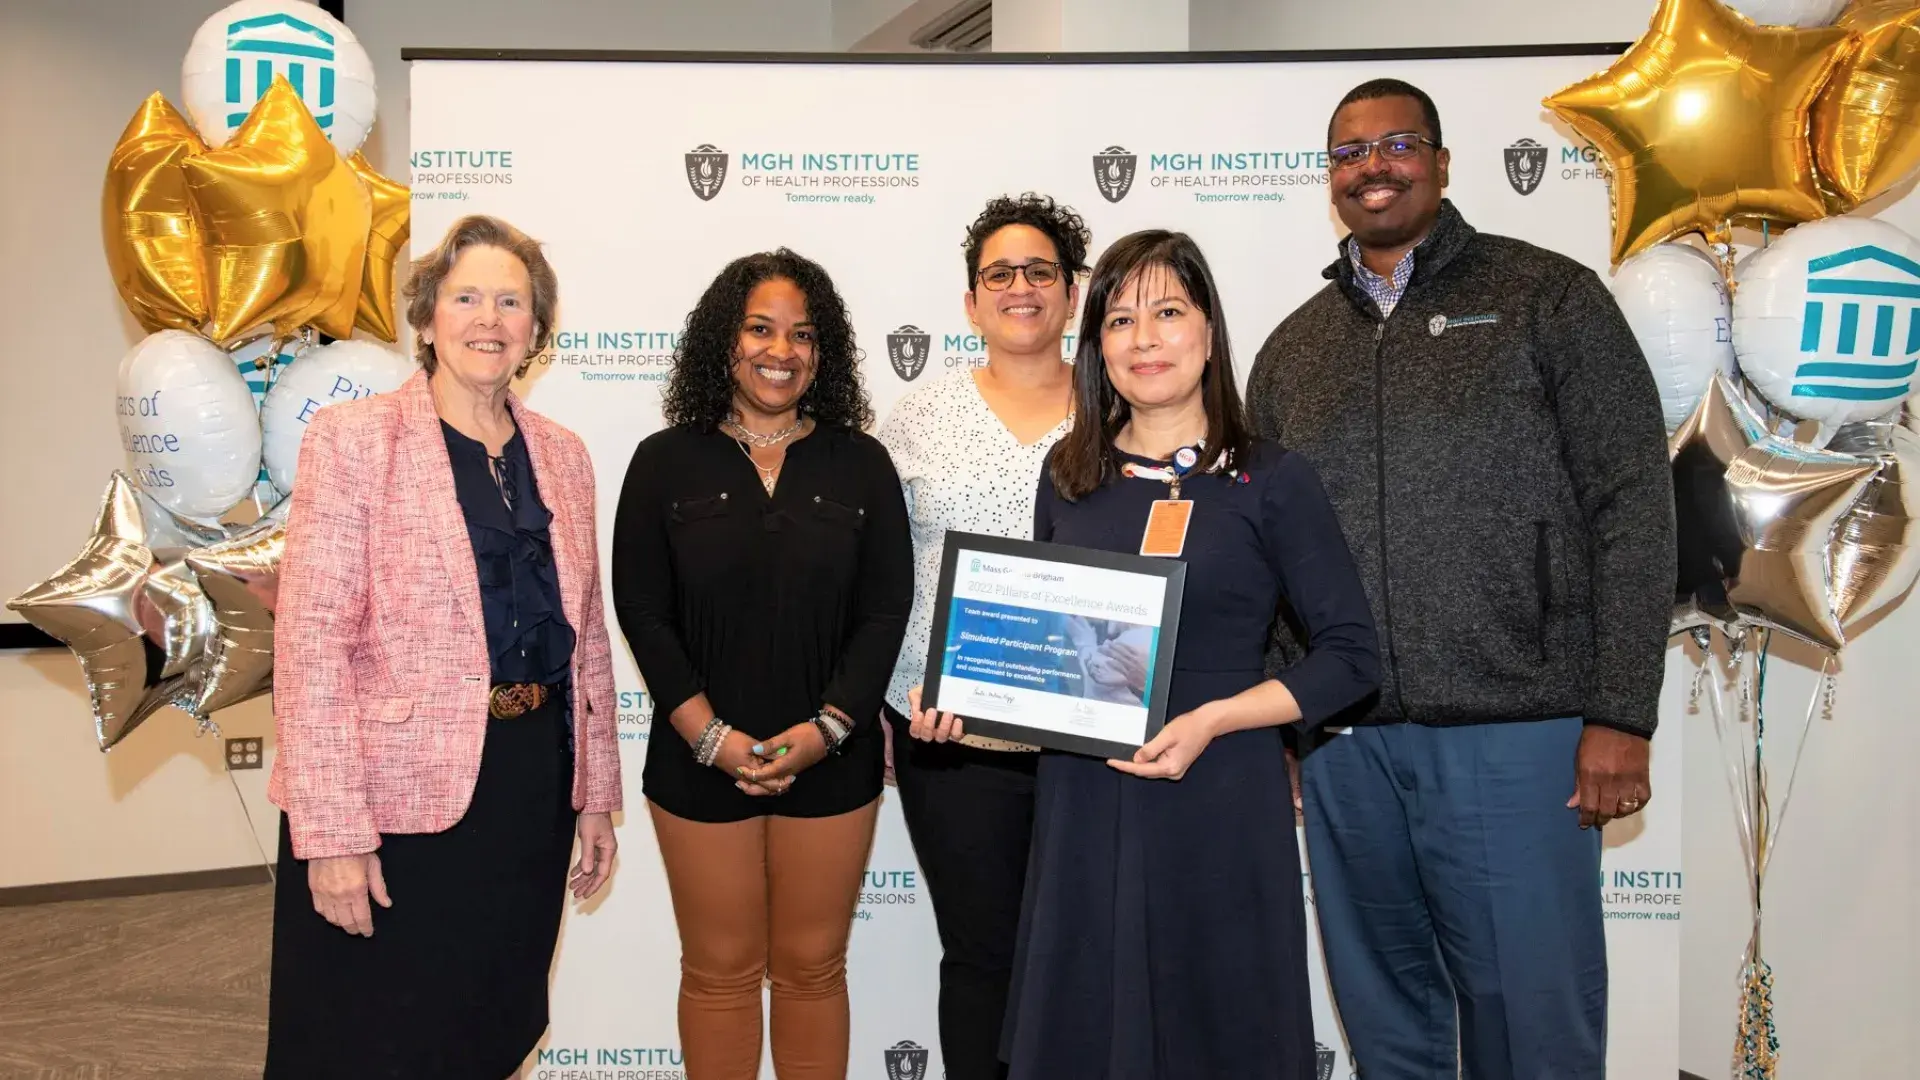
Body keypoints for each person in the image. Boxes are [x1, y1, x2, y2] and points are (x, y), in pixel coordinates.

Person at [1245, 78, 1676, 1080]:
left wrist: (1623, 712)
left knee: (1532, 1023)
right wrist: (1286, 718)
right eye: (1350, 153)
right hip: (1349, 745)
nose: (1373, 166)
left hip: (1518, 731)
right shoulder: (1293, 350)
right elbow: (1264, 550)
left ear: (1441, 163)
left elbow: (1633, 502)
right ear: (1330, 180)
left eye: (1397, 143)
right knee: (1388, 1026)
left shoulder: (1549, 298)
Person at [909, 228, 1380, 1080]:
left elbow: (1351, 657)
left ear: (1208, 330)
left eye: (1168, 312)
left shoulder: (1272, 479)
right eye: (1120, 320)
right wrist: (969, 704)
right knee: (1088, 1031)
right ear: (1097, 346)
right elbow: (1051, 649)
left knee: (1219, 1027)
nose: (1145, 338)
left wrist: (1217, 719)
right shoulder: (1071, 474)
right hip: (1085, 804)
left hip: (1221, 796)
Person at [265, 214, 622, 1080]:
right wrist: (332, 837)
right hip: (389, 808)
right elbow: (310, 648)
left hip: (527, 789)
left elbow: (588, 640)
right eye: (466, 297)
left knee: (489, 1028)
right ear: (426, 318)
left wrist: (594, 793)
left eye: (511, 301)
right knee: (369, 1040)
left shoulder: (565, 458)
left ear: (536, 330)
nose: (488, 319)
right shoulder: (353, 442)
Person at [611, 249, 912, 1080]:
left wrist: (829, 728)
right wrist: (711, 739)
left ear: (825, 353)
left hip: (833, 758)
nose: (781, 350)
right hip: (696, 757)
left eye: (803, 334)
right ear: (725, 340)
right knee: (718, 974)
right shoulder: (664, 460)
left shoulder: (862, 463)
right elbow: (643, 611)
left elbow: (886, 612)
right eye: (760, 328)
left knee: (814, 970)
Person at [877, 192, 1089, 1080]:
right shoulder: (914, 419)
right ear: (970, 302)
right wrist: (887, 703)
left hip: (1091, 743)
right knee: (980, 958)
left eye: (1041, 270)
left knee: (1085, 959)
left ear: (1072, 293)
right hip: (948, 735)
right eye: (999, 273)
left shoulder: (1124, 412)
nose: (1020, 287)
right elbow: (880, 577)